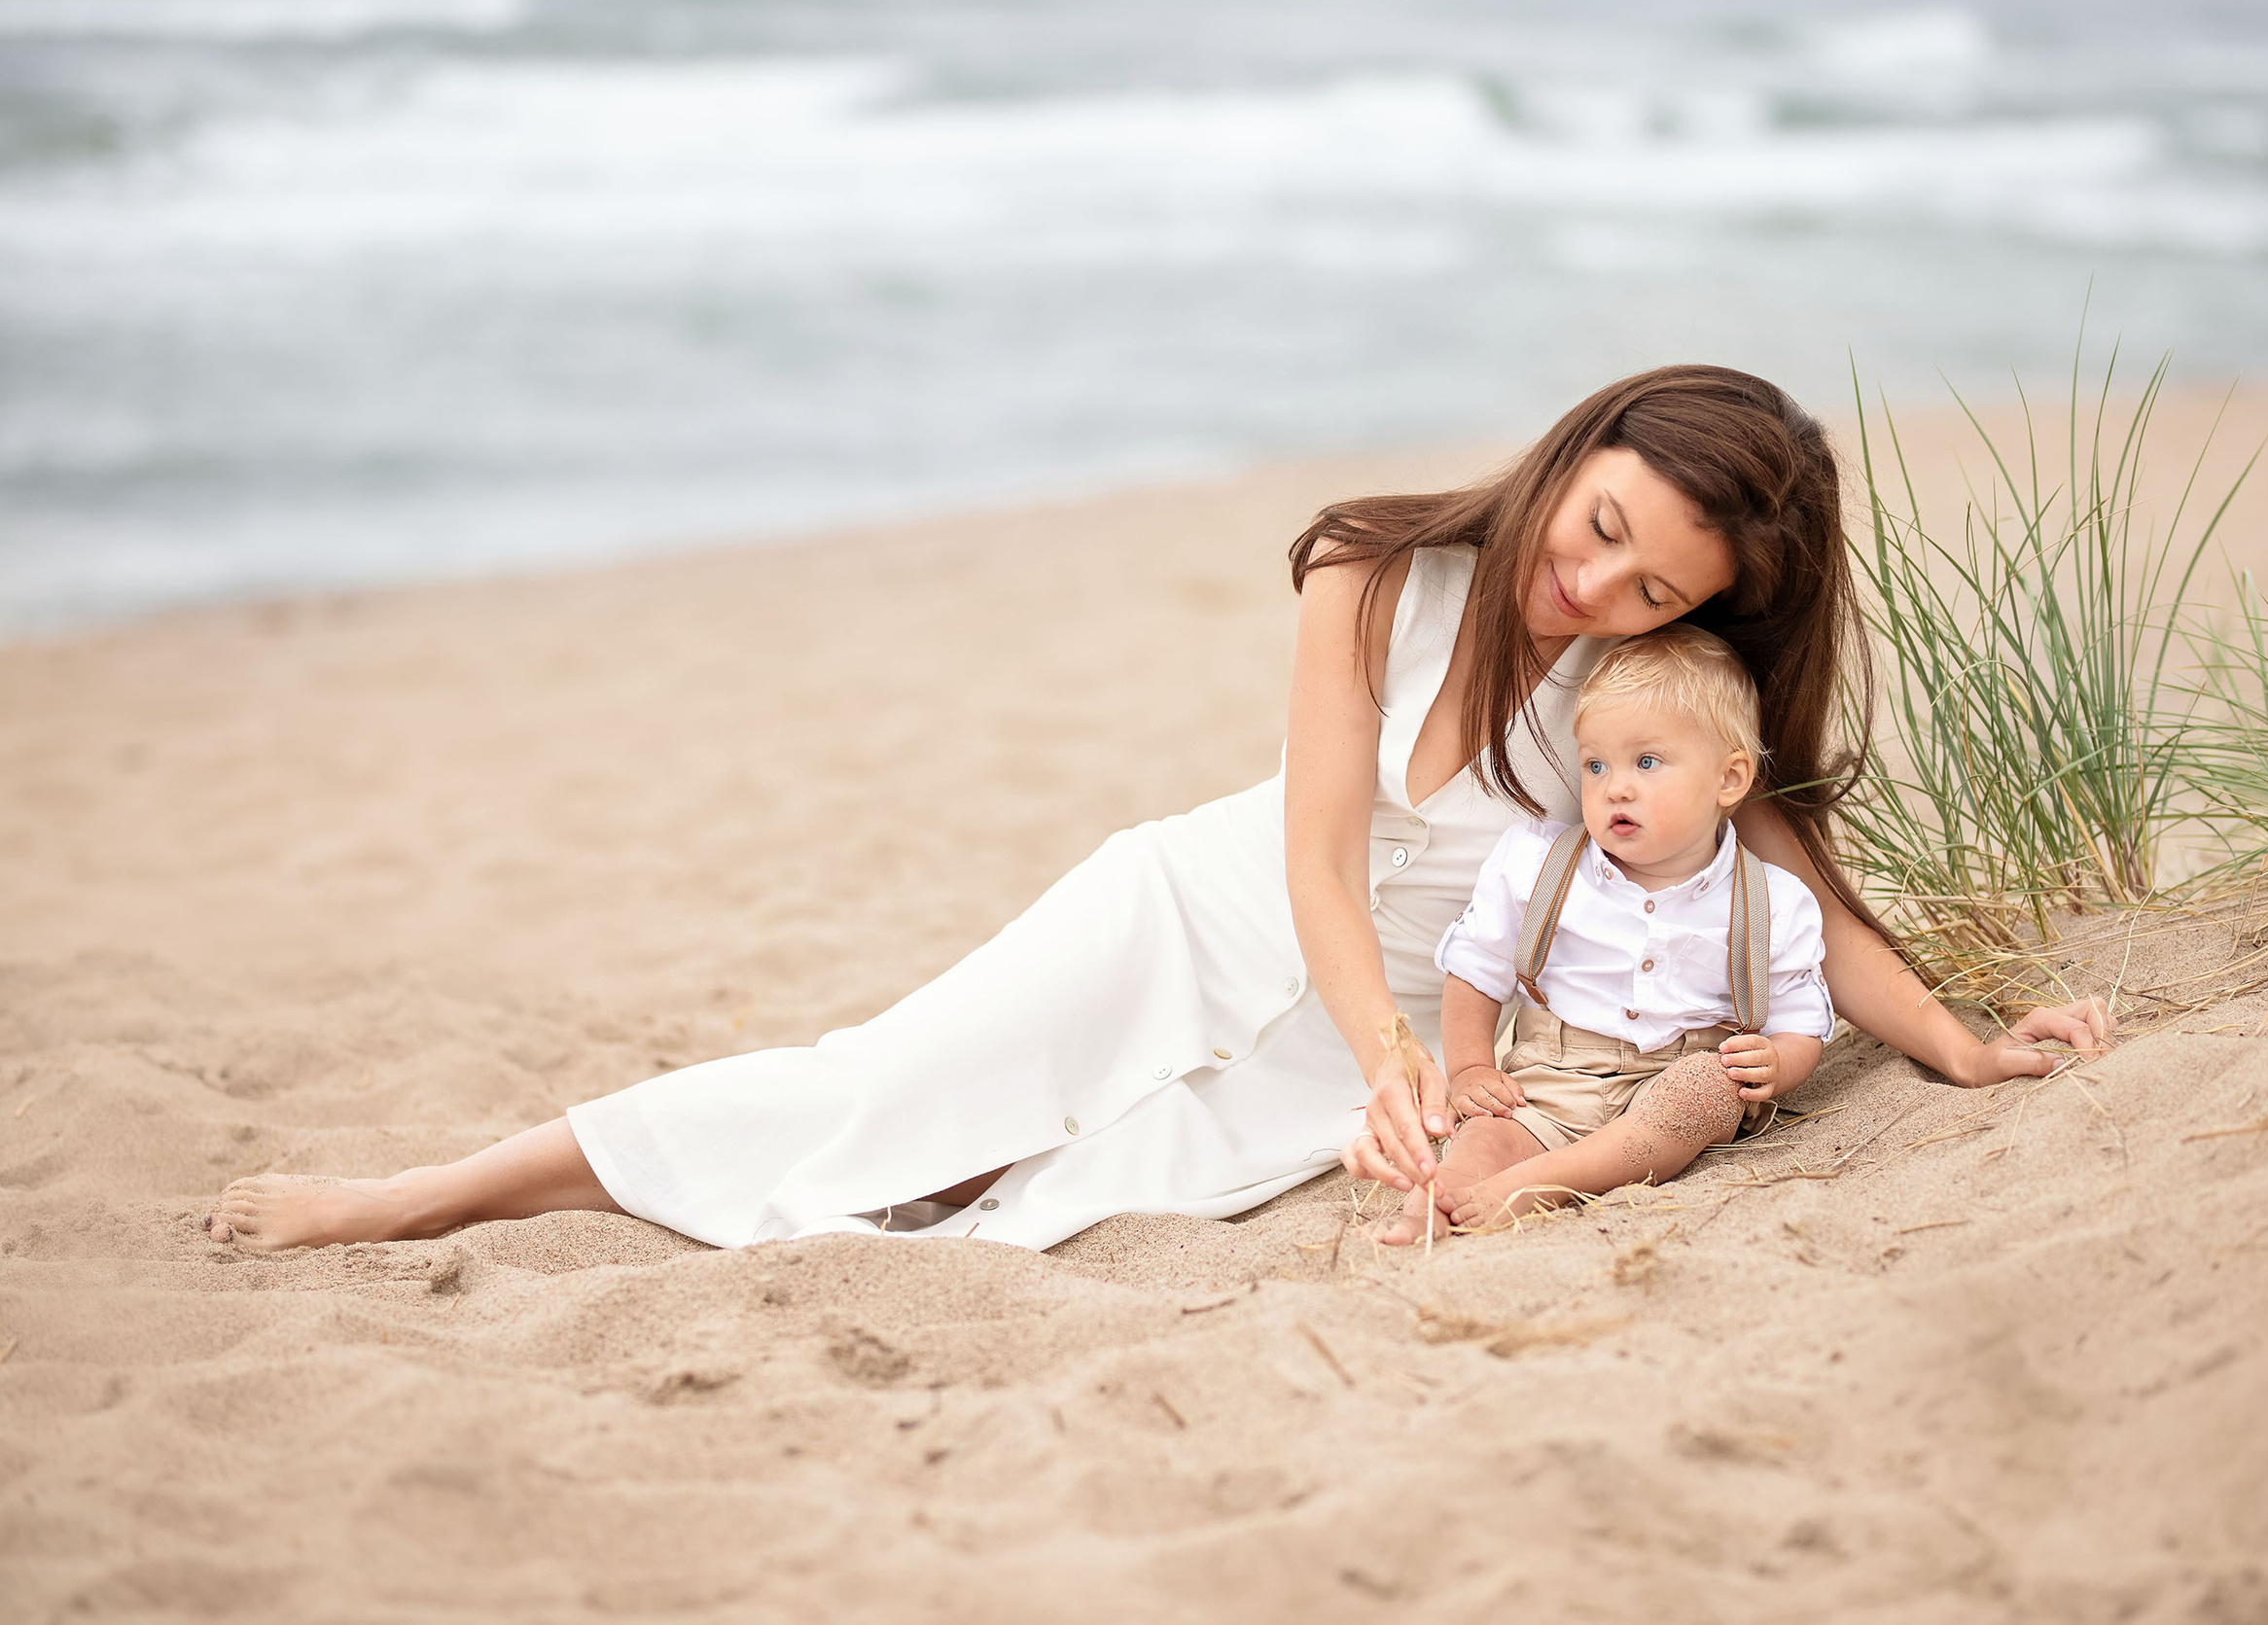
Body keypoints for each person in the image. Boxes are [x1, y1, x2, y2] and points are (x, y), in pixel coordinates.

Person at [206, 365, 2111, 1256]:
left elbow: (1797, 878)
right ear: (1573, 452)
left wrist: (1955, 1041)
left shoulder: (1648, 696)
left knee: (1041, 1212)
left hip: (1329, 1053)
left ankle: (961, 1182)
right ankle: (421, 1191)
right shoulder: (1370, 566)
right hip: (1204, 917)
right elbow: (1309, 853)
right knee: (871, 1091)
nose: (1594, 588)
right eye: (1599, 527)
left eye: (1651, 589)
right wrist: (1393, 1055)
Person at [1375, 623, 1832, 1246]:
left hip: (1670, 1083)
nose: (1615, 785)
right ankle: (1430, 1209)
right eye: (1596, 764)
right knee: (1486, 1131)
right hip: (1550, 1074)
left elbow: (1803, 1018)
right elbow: (1475, 970)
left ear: (1729, 779)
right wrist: (1472, 1066)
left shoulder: (1773, 902)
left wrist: (1779, 1062)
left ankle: (1550, 1180)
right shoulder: (1539, 866)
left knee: (1707, 1093)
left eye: (1647, 762)